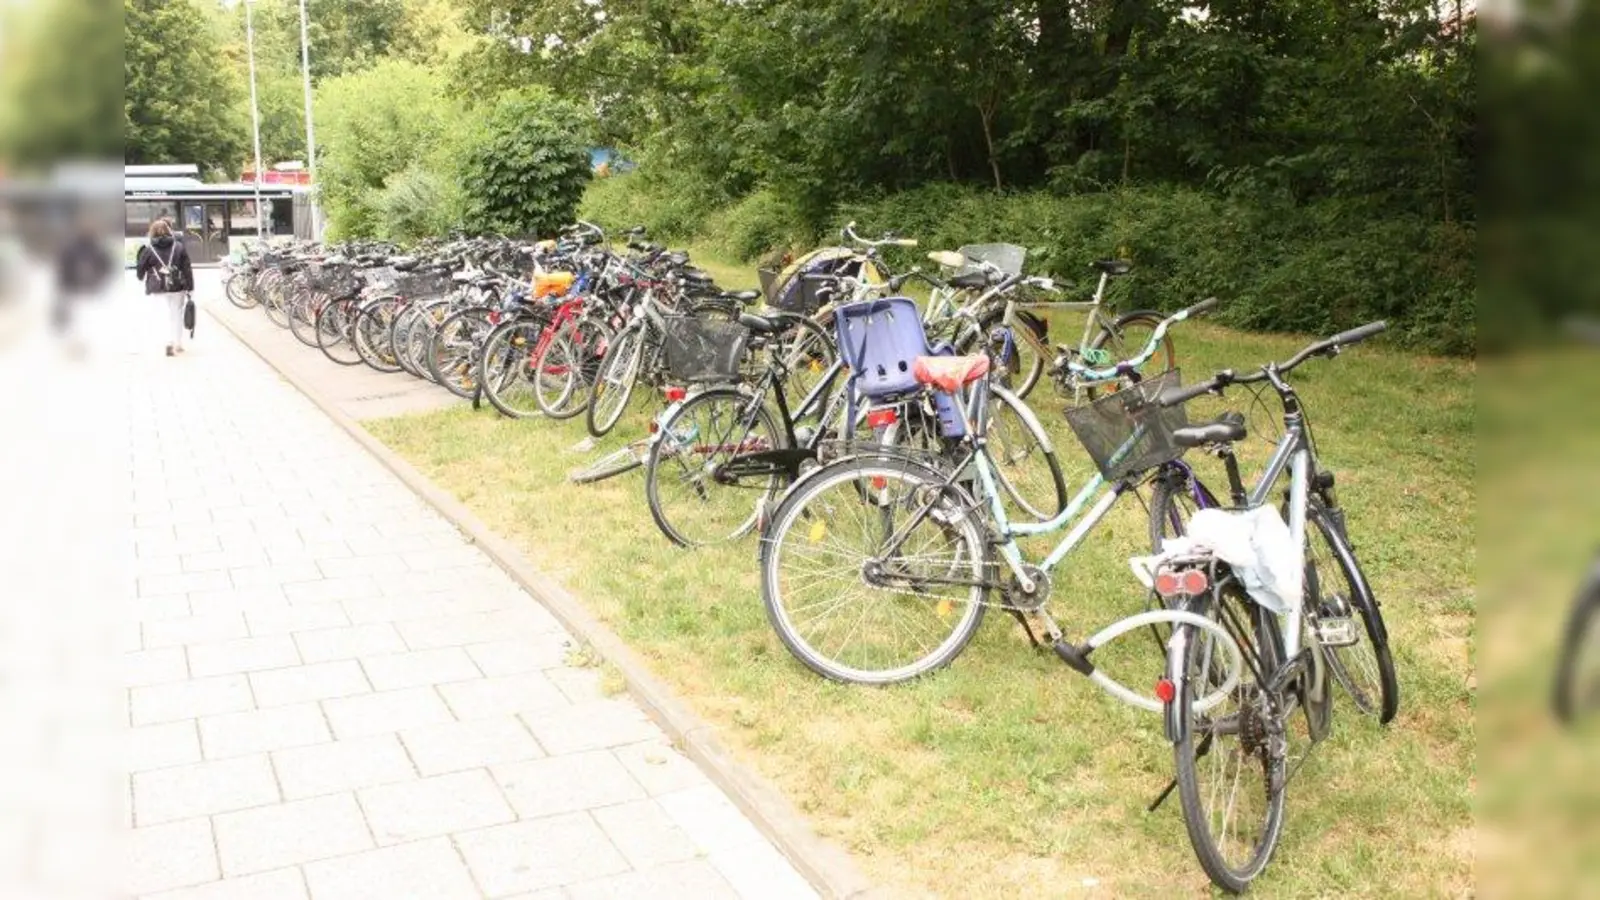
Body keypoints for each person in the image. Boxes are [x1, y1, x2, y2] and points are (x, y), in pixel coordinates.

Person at [134, 218, 194, 356]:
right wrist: (190, 287)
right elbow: (187, 268)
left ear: (152, 233)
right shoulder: (179, 247)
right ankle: (177, 343)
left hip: (158, 287)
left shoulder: (149, 249)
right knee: (177, 314)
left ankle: (168, 342)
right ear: (169, 231)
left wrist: (141, 276)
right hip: (177, 286)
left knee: (163, 315)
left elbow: (141, 267)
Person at [52, 214, 114, 342]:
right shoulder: (72, 247)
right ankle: (77, 342)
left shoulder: (98, 248)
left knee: (86, 319)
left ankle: (82, 342)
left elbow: (107, 266)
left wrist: (100, 280)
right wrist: (63, 286)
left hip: (90, 289)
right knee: (77, 319)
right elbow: (63, 267)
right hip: (75, 288)